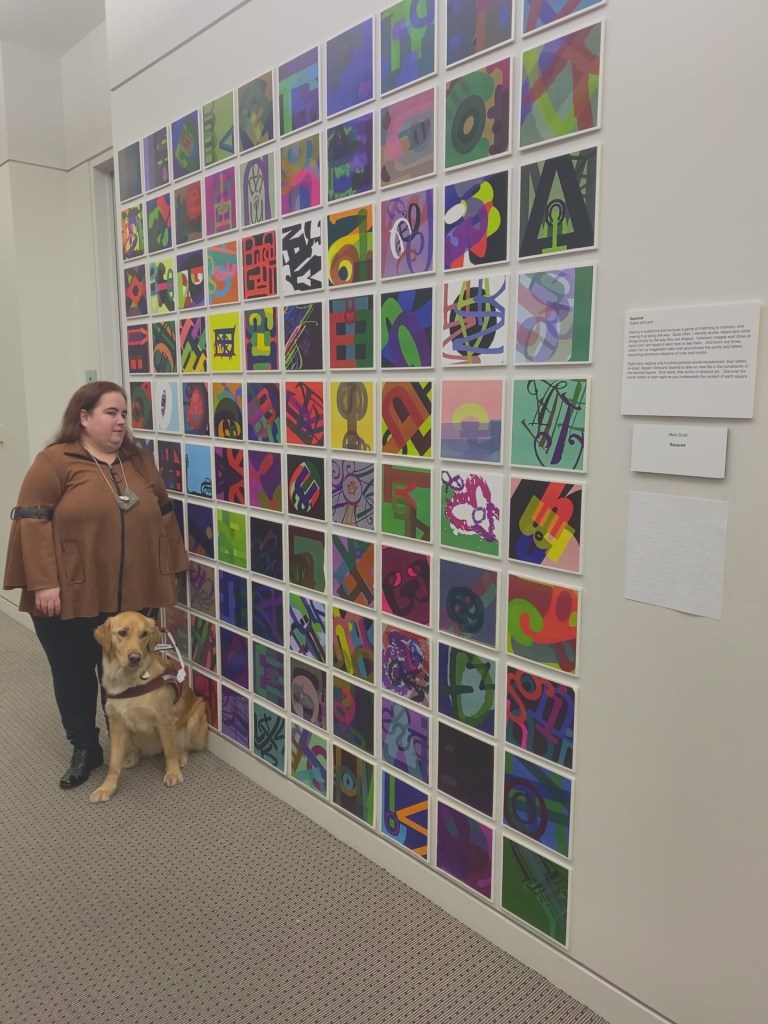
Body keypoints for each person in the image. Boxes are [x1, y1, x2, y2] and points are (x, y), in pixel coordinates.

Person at [3, 381, 188, 789]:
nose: (121, 421)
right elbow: (32, 523)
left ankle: (126, 740)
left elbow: (164, 514)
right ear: (83, 417)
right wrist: (44, 583)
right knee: (74, 671)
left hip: (128, 596)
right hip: (67, 592)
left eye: (124, 413)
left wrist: (171, 571)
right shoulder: (54, 461)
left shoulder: (137, 461)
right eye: (111, 413)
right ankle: (86, 746)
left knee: (123, 669)